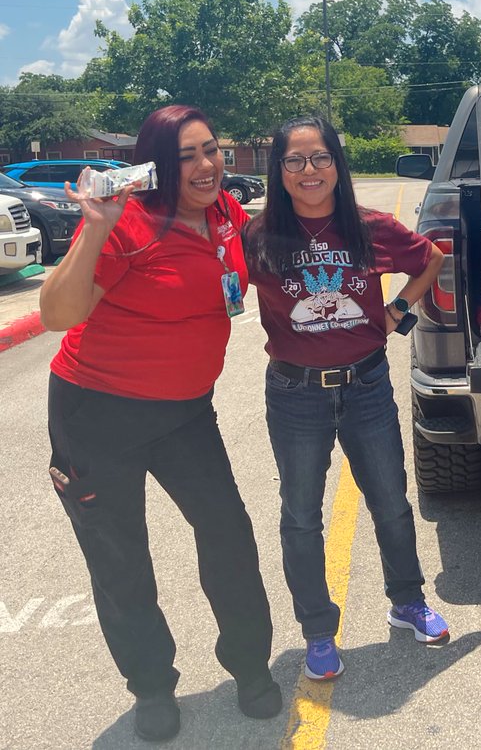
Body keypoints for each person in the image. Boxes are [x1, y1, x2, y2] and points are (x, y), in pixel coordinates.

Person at [40, 105, 279, 743]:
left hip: (185, 412)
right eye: (186, 157)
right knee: (120, 558)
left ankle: (249, 665)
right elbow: (58, 313)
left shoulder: (226, 212)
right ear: (152, 167)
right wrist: (93, 230)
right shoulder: (129, 224)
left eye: (212, 150)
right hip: (97, 413)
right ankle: (151, 684)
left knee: (228, 534)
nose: (206, 166)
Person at [242, 115, 449, 682]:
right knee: (302, 517)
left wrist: (395, 316)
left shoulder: (370, 227)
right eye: (294, 161)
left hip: (366, 385)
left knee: (391, 500)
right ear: (278, 171)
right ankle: (317, 631)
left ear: (337, 163)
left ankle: (408, 602)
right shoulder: (258, 238)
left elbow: (430, 258)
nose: (309, 171)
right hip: (294, 394)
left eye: (320, 158)